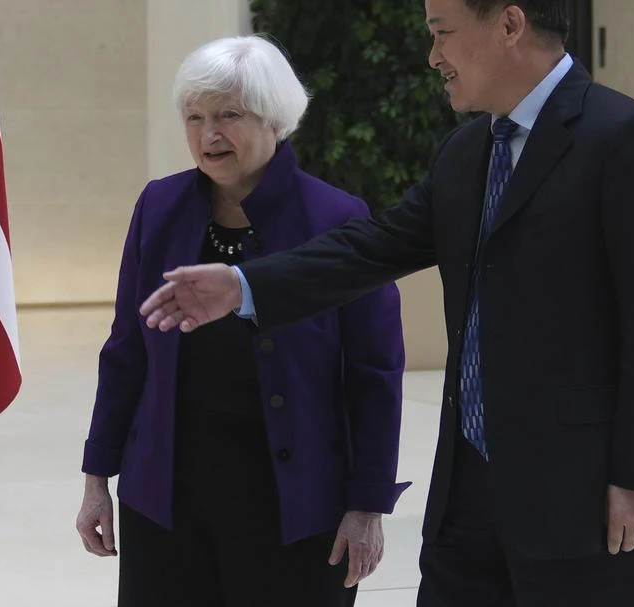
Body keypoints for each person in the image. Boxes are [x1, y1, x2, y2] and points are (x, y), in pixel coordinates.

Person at [141, 0, 634, 607]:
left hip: (582, 498)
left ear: (509, 25)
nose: (433, 56)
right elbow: (374, 245)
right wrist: (244, 285)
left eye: (442, 33)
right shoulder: (466, 150)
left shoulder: (624, 138)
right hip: (467, 498)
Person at [78, 35, 408, 606]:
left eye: (229, 114)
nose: (209, 134)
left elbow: (374, 373)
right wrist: (97, 480)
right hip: (167, 495)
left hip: (295, 501)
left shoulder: (336, 219)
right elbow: (126, 349)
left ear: (275, 120)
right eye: (195, 117)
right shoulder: (159, 206)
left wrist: (367, 504)